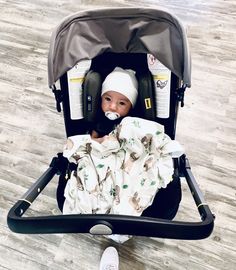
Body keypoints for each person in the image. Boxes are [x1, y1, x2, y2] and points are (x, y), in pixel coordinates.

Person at [91, 66, 138, 143]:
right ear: (101, 98)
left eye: (122, 103)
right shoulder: (100, 120)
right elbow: (91, 140)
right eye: (108, 99)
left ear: (131, 106)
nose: (112, 107)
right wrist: (101, 140)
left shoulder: (131, 123)